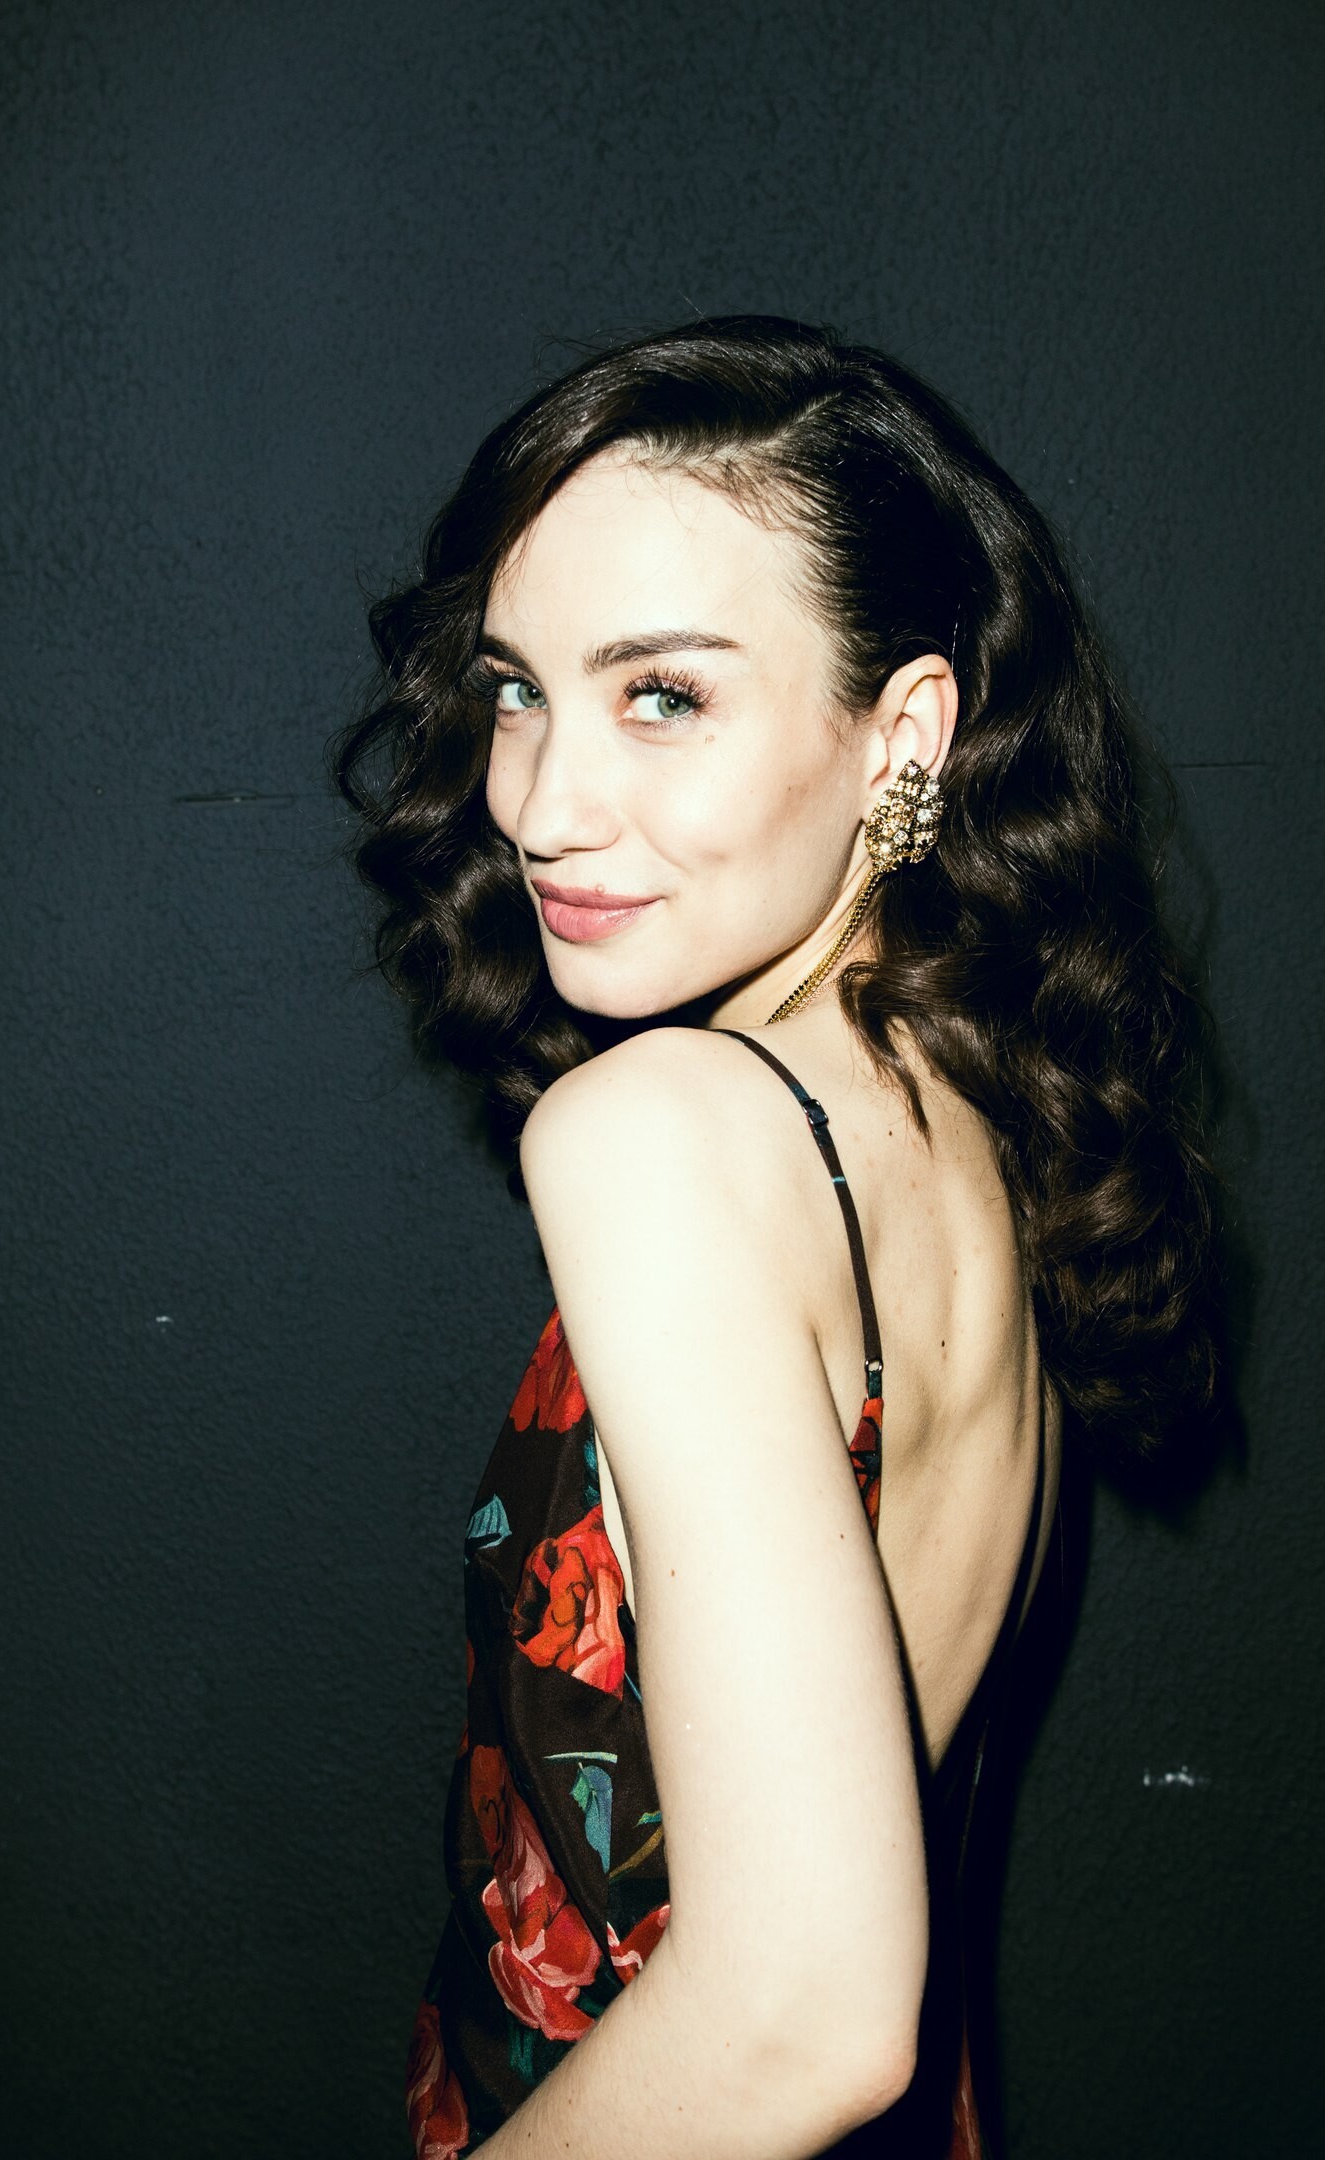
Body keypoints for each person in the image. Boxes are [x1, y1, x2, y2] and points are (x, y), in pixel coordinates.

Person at [332, 316, 1223, 2158]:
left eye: (663, 695)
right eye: (518, 691)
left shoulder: (662, 1135)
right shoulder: (976, 1122)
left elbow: (809, 2012)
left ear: (903, 733)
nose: (540, 805)